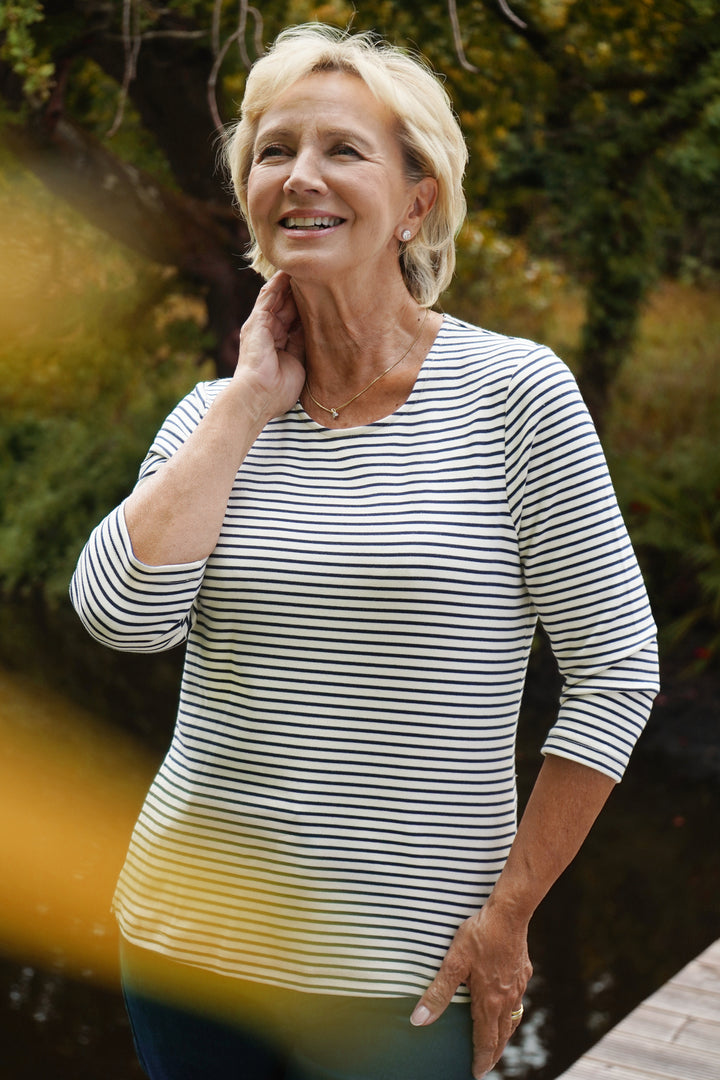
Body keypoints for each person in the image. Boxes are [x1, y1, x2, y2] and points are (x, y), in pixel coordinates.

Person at [70, 23, 659, 1080]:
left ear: (417, 197)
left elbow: (616, 672)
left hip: (403, 974)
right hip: (185, 947)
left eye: (342, 149)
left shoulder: (516, 397)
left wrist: (512, 912)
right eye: (273, 149)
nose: (300, 176)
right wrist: (249, 403)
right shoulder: (218, 416)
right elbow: (123, 620)